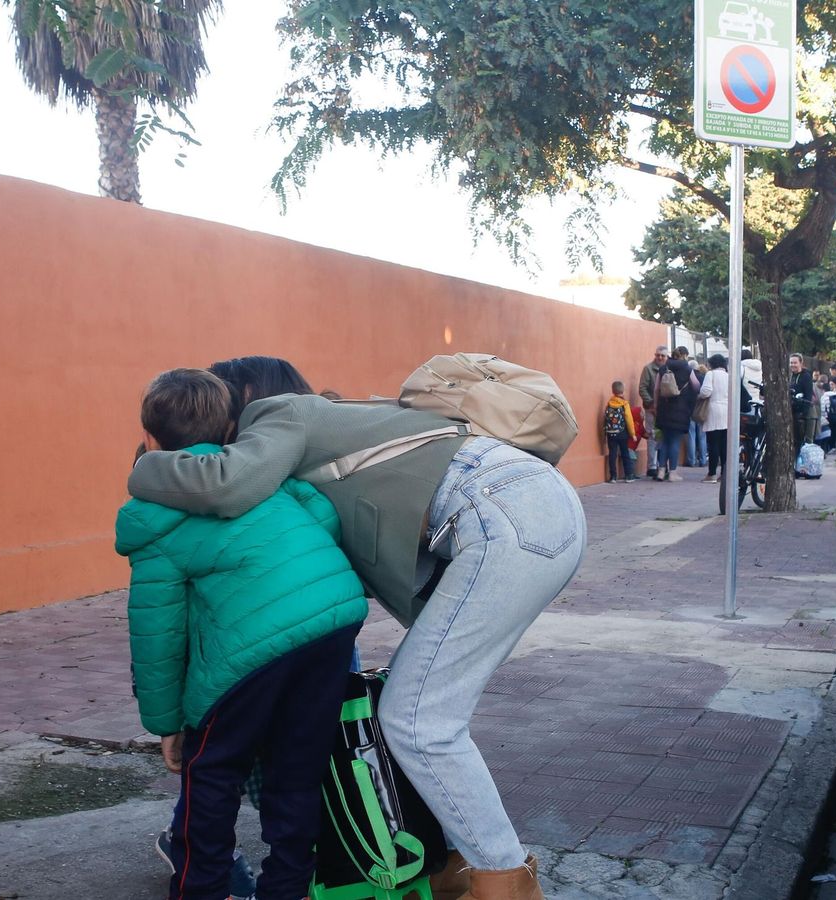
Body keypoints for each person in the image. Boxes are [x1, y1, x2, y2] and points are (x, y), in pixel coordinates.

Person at [130, 356, 585, 900]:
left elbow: (225, 483)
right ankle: (458, 868)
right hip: (533, 510)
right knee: (417, 712)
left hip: (501, 512)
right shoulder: (313, 456)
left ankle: (504, 884)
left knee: (418, 720)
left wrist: (145, 467)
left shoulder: (283, 414)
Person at [118, 369, 368, 900]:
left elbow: (158, 630)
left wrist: (167, 725)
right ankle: (290, 889)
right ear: (231, 426)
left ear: (149, 438)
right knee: (298, 769)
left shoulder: (148, 515)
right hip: (332, 618)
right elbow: (321, 513)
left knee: (211, 770)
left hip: (255, 645)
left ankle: (201, 889)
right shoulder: (262, 473)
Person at [652, 352, 698, 481]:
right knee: (675, 441)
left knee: (665, 440)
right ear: (683, 357)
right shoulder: (688, 369)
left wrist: (656, 405)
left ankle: (661, 471)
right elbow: (696, 386)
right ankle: (673, 472)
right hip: (681, 410)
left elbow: (656, 389)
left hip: (664, 409)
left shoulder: (663, 368)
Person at [697, 354, 731, 483]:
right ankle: (724, 473)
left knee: (713, 443)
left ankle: (711, 473)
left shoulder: (711, 374)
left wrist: (699, 396)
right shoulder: (729, 376)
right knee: (724, 444)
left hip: (714, 410)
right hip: (727, 411)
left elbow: (706, 391)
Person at [638, 346, 668, 475]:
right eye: (658, 355)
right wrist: (651, 403)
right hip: (651, 408)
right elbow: (642, 388)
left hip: (666, 409)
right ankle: (652, 466)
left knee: (664, 437)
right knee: (652, 436)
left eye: (662, 355)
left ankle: (663, 465)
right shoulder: (648, 369)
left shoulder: (669, 369)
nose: (660, 357)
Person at [603, 381, 636, 483]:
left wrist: (604, 433)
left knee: (612, 454)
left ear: (613, 391)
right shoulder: (625, 404)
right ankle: (628, 475)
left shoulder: (609, 403)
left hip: (611, 433)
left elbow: (605, 419)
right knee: (625, 453)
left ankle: (613, 477)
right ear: (623, 391)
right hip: (622, 433)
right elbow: (629, 420)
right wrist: (632, 434)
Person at [789, 354, 815, 450]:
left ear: (801, 363)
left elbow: (808, 396)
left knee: (808, 441)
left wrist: (803, 412)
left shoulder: (806, 376)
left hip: (807, 413)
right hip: (795, 412)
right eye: (791, 363)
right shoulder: (791, 376)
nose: (793, 365)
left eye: (795, 362)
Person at [687, 358, 709, 470]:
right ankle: (703, 460)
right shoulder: (704, 378)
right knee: (702, 436)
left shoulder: (688, 378)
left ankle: (691, 460)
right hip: (701, 410)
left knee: (691, 435)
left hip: (690, 409)